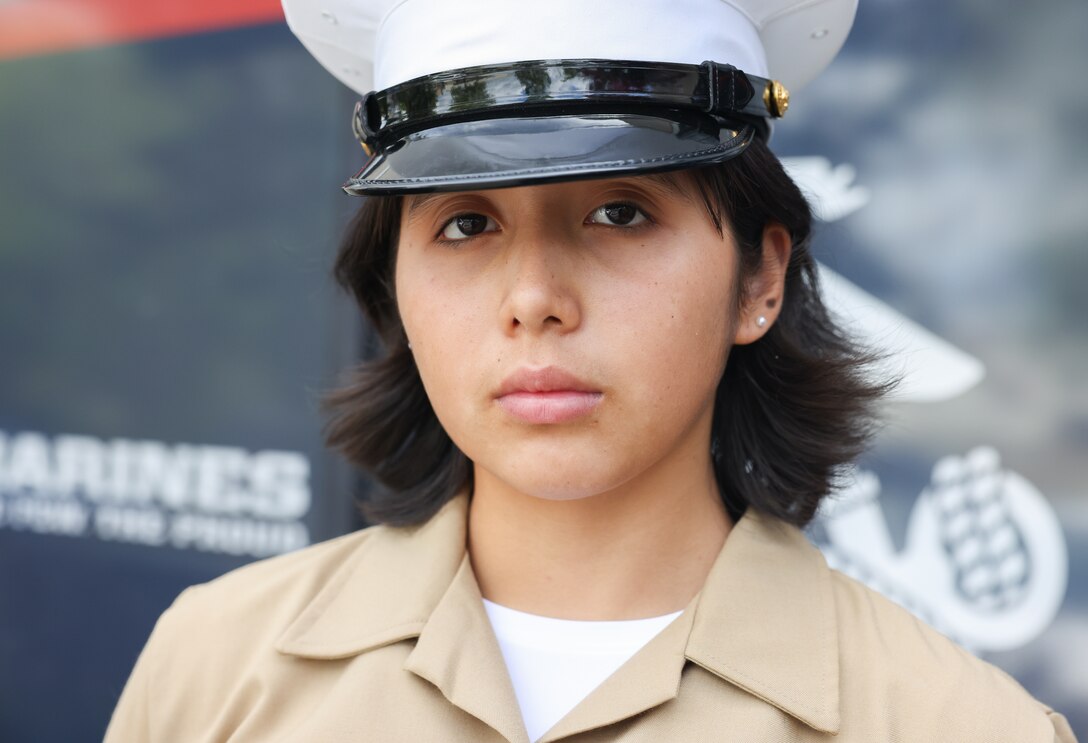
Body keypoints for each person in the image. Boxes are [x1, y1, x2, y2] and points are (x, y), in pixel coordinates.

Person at [105, 0, 1077, 741]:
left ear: (758, 276)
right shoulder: (217, 666)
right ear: (391, 283)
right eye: (466, 223)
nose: (533, 296)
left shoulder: (953, 723)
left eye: (618, 212)